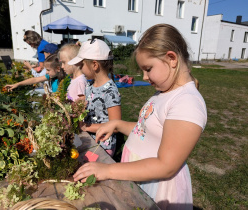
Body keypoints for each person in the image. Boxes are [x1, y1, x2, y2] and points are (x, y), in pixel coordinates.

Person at [73, 24, 207, 209]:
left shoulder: (187, 103)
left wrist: (109, 169)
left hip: (157, 185)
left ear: (171, 58)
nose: (144, 76)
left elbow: (166, 165)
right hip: (140, 174)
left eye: (148, 68)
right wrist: (118, 124)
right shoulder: (164, 92)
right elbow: (145, 131)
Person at [68, 39, 121, 156]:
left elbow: (116, 126)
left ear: (94, 65)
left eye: (82, 65)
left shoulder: (110, 91)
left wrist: (87, 127)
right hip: (89, 139)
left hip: (102, 145)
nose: (80, 69)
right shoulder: (89, 84)